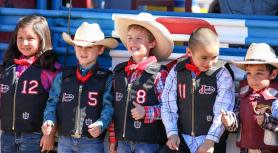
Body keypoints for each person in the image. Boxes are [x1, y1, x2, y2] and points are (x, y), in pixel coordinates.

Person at [41, 22, 118, 153]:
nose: (83, 51)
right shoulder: (63, 76)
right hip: (65, 140)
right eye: (79, 46)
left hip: (92, 142)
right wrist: (49, 120)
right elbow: (52, 103)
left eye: (89, 47)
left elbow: (109, 106)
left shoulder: (107, 77)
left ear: (100, 49)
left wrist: (101, 123)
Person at [161, 27, 235, 153]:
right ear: (189, 52)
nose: (210, 63)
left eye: (214, 57)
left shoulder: (222, 74)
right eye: (204, 58)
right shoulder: (177, 71)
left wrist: (210, 140)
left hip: (211, 140)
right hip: (181, 138)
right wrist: (172, 133)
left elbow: (222, 110)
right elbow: (167, 104)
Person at [108, 12, 174, 153]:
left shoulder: (158, 73)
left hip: (148, 143)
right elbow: (113, 106)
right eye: (130, 38)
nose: (133, 43)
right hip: (123, 142)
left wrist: (146, 111)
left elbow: (169, 109)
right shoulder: (119, 72)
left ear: (152, 43)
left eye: (139, 38)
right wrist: (113, 138)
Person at [0, 15, 60, 153]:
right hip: (7, 134)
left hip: (34, 135)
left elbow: (56, 102)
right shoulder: (9, 67)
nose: (24, 43)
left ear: (41, 39)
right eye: (20, 38)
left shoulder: (50, 69)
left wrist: (49, 134)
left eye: (30, 38)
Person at [221, 43, 278, 152]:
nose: (253, 79)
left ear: (273, 74)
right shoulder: (243, 95)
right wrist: (230, 122)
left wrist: (267, 121)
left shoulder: (275, 97)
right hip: (246, 150)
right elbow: (236, 125)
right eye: (249, 73)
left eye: (259, 74)